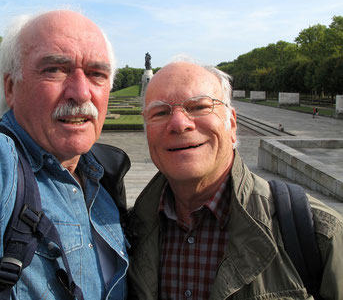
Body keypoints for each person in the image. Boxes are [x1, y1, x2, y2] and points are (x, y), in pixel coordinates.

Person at [0, 10, 130, 300]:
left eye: (96, 74)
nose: (81, 92)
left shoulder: (104, 178)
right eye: (54, 69)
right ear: (11, 88)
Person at [127, 60, 343, 299]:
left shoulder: (321, 234)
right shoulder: (125, 231)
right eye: (160, 112)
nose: (179, 123)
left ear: (231, 122)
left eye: (199, 106)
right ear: (146, 128)